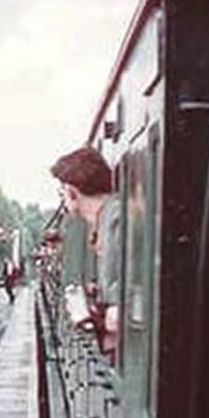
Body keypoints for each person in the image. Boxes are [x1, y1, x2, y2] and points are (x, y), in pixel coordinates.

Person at [50, 145, 121, 353]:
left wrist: (93, 317)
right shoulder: (106, 219)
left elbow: (122, 314)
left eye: (62, 192)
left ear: (72, 192)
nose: (63, 199)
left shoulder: (115, 221)